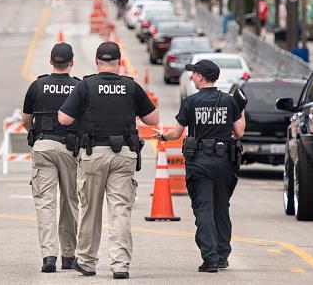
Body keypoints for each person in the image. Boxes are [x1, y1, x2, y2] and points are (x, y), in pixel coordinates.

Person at [58, 42, 159, 280]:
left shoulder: (86, 85)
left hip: (94, 154)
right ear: (119, 62)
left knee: (90, 210)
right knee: (121, 211)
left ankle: (87, 261)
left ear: (96, 61)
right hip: (124, 155)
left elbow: (63, 118)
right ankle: (120, 264)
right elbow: (153, 119)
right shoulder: (131, 87)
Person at [154, 59, 245, 273]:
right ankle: (222, 256)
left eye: (193, 74)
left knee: (204, 208)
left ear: (200, 77)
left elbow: (176, 133)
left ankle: (210, 258)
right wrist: (241, 109)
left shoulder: (191, 102)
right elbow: (239, 131)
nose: (192, 77)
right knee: (221, 208)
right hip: (224, 162)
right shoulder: (229, 101)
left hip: (200, 163)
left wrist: (163, 137)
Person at [21, 43, 80, 273]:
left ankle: (49, 256)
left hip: (43, 145)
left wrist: (34, 133)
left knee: (46, 203)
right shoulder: (78, 87)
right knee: (70, 201)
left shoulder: (37, 86)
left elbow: (26, 120)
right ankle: (68, 255)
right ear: (72, 62)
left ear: (51, 62)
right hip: (70, 149)